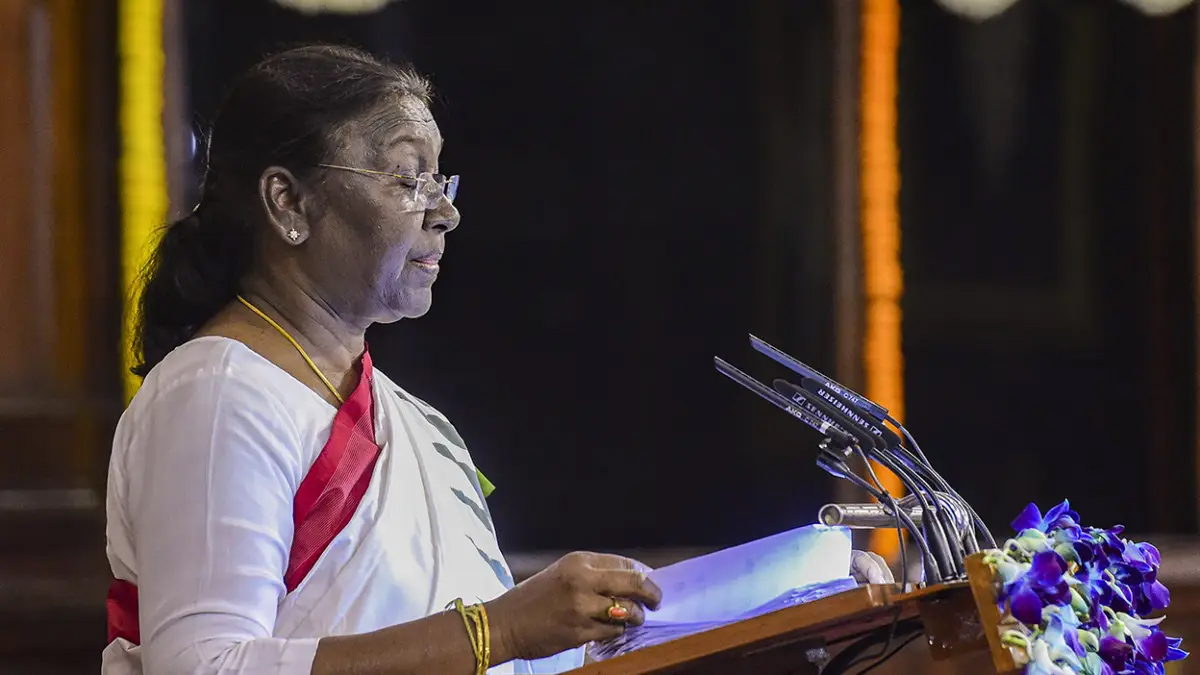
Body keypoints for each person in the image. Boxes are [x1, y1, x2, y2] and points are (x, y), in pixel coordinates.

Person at [103, 45, 891, 675]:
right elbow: (202, 665)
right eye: (406, 178)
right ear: (288, 203)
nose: (445, 210)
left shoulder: (414, 422)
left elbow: (475, 646)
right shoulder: (217, 393)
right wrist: (500, 628)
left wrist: (786, 608)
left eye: (439, 178)